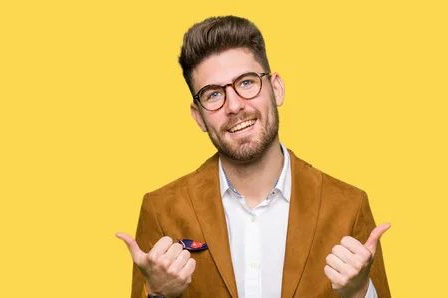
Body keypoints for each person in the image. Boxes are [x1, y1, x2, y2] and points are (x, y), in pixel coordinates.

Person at [116, 15, 391, 298]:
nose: (234, 105)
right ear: (198, 117)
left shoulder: (348, 206)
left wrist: (360, 292)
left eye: (246, 83)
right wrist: (158, 294)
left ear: (277, 88)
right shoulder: (161, 210)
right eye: (213, 95)